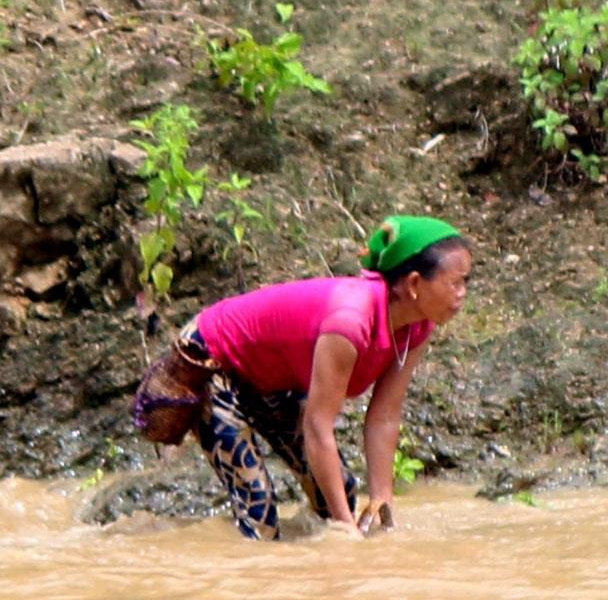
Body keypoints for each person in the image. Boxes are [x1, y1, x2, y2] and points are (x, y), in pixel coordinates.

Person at [139, 216, 472, 540]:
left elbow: (384, 415)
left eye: (466, 282)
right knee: (259, 511)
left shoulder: (419, 325)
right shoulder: (350, 320)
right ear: (414, 284)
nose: (462, 294)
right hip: (215, 358)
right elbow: (318, 425)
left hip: (274, 377)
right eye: (455, 282)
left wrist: (382, 497)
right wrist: (346, 533)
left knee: (340, 492)